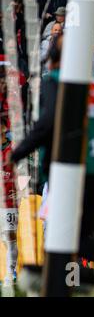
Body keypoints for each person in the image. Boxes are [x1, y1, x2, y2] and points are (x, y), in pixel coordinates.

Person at [10, 35, 94, 290]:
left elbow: (47, 122)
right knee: (79, 238)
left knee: (62, 235)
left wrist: (17, 153)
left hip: (70, 172)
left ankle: (68, 281)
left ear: (53, 58)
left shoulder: (56, 79)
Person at [0, 117, 18, 286]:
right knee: (4, 239)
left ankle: (10, 274)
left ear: (4, 128)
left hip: (9, 202)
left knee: (9, 237)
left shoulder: (13, 149)